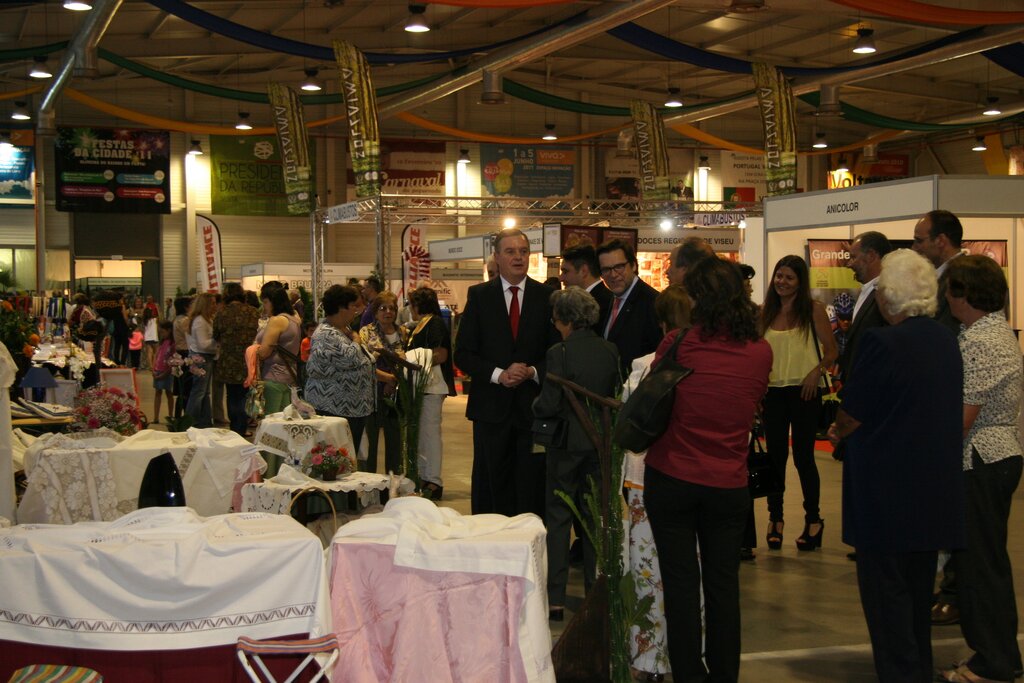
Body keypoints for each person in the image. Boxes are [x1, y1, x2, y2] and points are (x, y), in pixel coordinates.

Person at [828, 249, 965, 683]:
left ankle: (901, 674)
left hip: (885, 490)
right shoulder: (945, 339)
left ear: (889, 297)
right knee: (917, 595)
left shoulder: (882, 342)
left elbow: (852, 413)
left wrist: (837, 430)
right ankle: (917, 671)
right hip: (932, 487)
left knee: (886, 599)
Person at [644, 257, 772, 682]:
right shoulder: (760, 351)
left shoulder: (678, 343)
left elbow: (654, 399)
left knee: (681, 587)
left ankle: (688, 675)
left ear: (697, 299)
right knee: (724, 588)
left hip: (673, 476)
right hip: (728, 482)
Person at [938, 255, 1022, 683]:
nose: (945, 297)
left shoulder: (983, 341)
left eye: (949, 288)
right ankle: (998, 655)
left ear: (963, 294)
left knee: (980, 567)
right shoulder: (983, 332)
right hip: (988, 458)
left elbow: (961, 419)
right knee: (983, 564)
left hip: (982, 460)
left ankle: (994, 662)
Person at [454, 228, 558, 517]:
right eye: (510, 252)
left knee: (531, 486)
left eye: (523, 252)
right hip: (490, 410)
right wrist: (499, 374)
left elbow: (557, 352)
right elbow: (463, 353)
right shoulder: (479, 296)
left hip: (533, 410)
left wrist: (533, 371)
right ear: (497, 257)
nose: (518, 257)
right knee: (491, 485)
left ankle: (529, 539)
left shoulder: (547, 296)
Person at [532, 286, 619, 623]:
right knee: (594, 518)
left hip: (566, 445)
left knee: (558, 519)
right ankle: (595, 592)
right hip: (599, 444)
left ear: (565, 319)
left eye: (556, 319)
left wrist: (535, 406)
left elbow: (550, 403)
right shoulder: (610, 350)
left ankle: (555, 598)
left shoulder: (560, 352)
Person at [621, 284, 691, 679]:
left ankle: (648, 660)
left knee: (647, 572)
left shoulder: (644, 367)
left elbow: (630, 426)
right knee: (687, 574)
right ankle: (688, 654)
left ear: (662, 323)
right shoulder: (707, 365)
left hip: (645, 479)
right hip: (693, 481)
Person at [760, 255, 837, 551]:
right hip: (772, 393)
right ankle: (775, 519)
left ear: (800, 281)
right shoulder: (765, 312)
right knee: (775, 458)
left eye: (789, 277)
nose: (782, 282)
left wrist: (816, 372)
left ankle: (813, 520)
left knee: (804, 458)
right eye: (779, 276)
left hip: (805, 392)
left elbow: (832, 351)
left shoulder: (813, 310)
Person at [306, 285, 380, 450]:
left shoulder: (342, 331)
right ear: (341, 308)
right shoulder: (326, 334)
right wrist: (357, 341)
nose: (356, 310)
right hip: (335, 409)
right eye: (353, 306)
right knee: (338, 457)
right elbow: (350, 359)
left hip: (351, 409)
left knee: (348, 456)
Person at [407, 286, 456, 499]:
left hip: (433, 385)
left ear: (418, 304)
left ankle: (434, 480)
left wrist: (410, 360)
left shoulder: (434, 322)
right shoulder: (423, 324)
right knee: (423, 435)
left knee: (431, 434)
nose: (409, 308)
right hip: (423, 385)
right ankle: (424, 476)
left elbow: (441, 354)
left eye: (411, 304)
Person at [358, 291, 408, 476]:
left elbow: (409, 360)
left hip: (396, 393)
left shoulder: (403, 332)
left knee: (395, 442)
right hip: (372, 393)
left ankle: (393, 484)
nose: (388, 312)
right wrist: (386, 378)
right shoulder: (366, 332)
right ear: (375, 311)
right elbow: (364, 363)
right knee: (369, 443)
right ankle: (368, 484)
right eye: (383, 308)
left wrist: (394, 381)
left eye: (392, 308)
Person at [597, 238, 661, 376]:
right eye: (606, 269)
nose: (613, 275)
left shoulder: (653, 302)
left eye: (619, 267)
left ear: (633, 266)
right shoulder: (613, 298)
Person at [839, 231, 893, 383]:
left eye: (853, 257)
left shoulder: (887, 294)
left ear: (871, 256)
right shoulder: (867, 291)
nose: (849, 264)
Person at [213, 282, 260, 437]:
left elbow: (216, 335)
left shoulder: (221, 313)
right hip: (249, 359)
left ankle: (235, 429)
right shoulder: (253, 312)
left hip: (228, 361)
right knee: (246, 394)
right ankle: (243, 426)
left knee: (232, 395)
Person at [912, 209, 966, 335]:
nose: (914, 247)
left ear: (940, 240)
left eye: (919, 241)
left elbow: (948, 330)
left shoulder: (962, 277)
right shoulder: (935, 277)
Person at [255, 281, 303, 418]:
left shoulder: (277, 320)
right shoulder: (294, 319)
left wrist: (254, 349)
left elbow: (264, 352)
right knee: (284, 422)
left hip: (273, 377)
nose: (264, 307)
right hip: (289, 377)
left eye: (265, 302)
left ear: (273, 301)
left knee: (270, 422)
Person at [559, 244, 613, 334]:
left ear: (583, 271)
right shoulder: (605, 299)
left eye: (565, 271)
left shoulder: (605, 303)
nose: (560, 278)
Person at [185, 292, 219, 428]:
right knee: (199, 392)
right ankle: (190, 422)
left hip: (206, 358)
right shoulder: (200, 321)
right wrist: (217, 341)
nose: (215, 306)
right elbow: (203, 344)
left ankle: (204, 422)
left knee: (204, 393)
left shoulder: (207, 319)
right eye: (213, 303)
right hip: (201, 358)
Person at [171, 296, 193, 417]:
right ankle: (185, 416)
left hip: (178, 354)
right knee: (186, 388)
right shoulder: (185, 320)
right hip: (185, 354)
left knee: (181, 388)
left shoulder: (176, 319)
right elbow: (190, 336)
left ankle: (178, 416)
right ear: (186, 307)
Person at [151, 321, 175, 425]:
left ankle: (170, 416)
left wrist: (164, 373)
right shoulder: (161, 342)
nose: (161, 334)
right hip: (158, 370)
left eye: (163, 332)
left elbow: (172, 361)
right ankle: (156, 417)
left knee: (169, 393)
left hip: (167, 372)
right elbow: (156, 355)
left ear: (169, 330)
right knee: (158, 392)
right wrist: (153, 369)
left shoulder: (173, 344)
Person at [142, 306, 159, 370]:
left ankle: (150, 366)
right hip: (154, 337)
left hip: (147, 338)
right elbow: (160, 316)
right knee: (155, 352)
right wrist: (157, 309)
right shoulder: (155, 320)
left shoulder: (144, 321)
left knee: (149, 352)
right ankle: (154, 365)